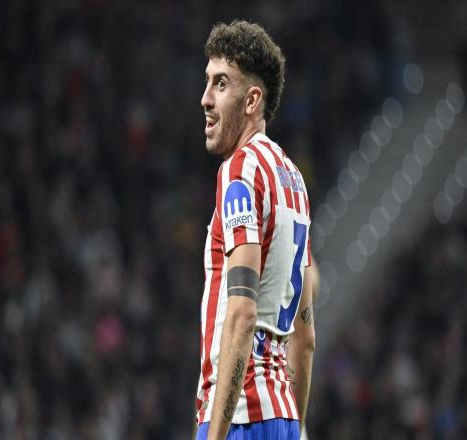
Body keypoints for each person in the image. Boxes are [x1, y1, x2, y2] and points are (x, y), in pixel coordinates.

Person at [195, 20, 316, 440]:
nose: (206, 99)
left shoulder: (240, 172)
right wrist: (296, 426)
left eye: (221, 84)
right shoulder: (294, 181)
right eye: (208, 82)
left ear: (251, 100)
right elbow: (305, 337)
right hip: (282, 415)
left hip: (240, 416)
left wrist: (216, 434)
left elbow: (242, 314)